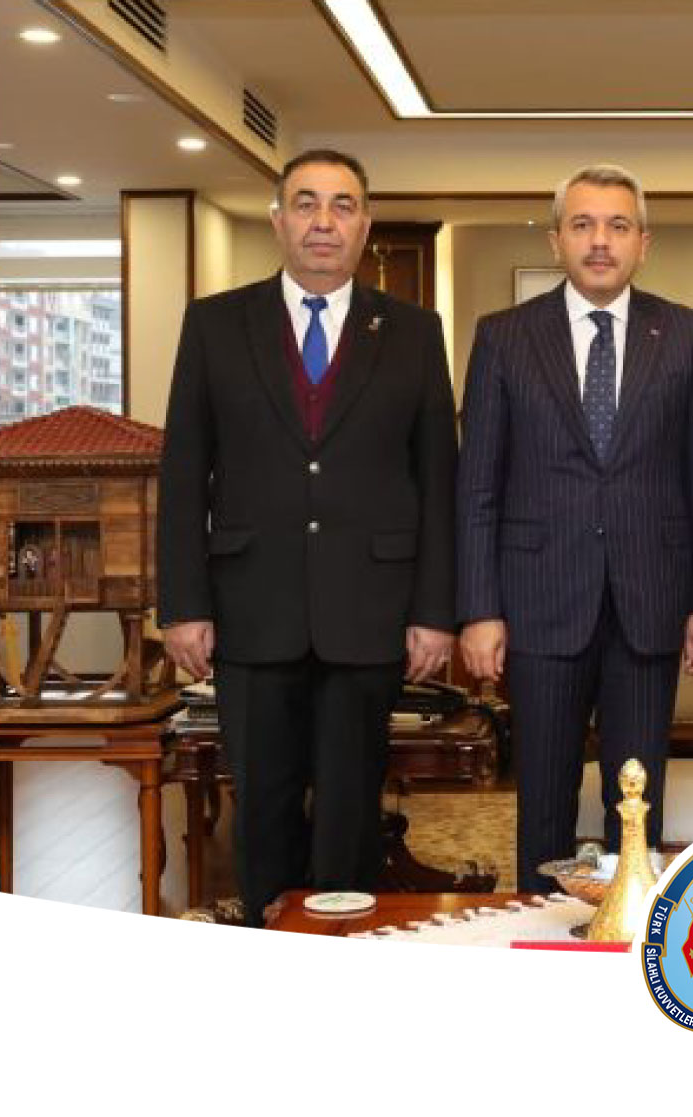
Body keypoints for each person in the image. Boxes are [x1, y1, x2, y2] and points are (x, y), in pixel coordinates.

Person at [156, 149, 457, 926]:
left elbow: (438, 480)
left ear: (365, 223)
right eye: (307, 203)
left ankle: (344, 949)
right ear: (278, 219)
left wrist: (435, 611)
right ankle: (271, 951)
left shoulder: (415, 332)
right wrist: (183, 603)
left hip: (370, 609)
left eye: (343, 205)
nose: (324, 221)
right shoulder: (215, 324)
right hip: (253, 607)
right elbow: (184, 471)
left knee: (352, 810)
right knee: (262, 807)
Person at [456, 164, 693, 893]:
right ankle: (540, 932)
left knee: (635, 804)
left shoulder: (687, 334)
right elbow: (478, 484)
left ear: (644, 242)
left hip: (650, 602)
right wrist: (479, 609)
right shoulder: (505, 337)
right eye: (582, 225)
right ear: (557, 240)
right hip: (539, 600)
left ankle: (633, 938)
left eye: (617, 226)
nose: (600, 241)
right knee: (543, 798)